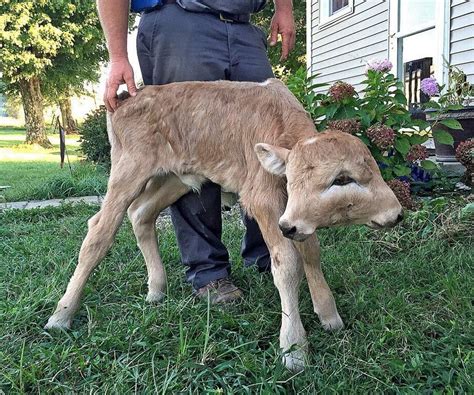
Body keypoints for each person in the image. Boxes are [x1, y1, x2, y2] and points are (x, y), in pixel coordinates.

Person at [97, 0, 296, 303]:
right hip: (181, 22)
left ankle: (267, 255)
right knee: (187, 145)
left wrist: (284, 8)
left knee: (269, 140)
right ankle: (209, 272)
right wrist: (117, 56)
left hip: (243, 24)